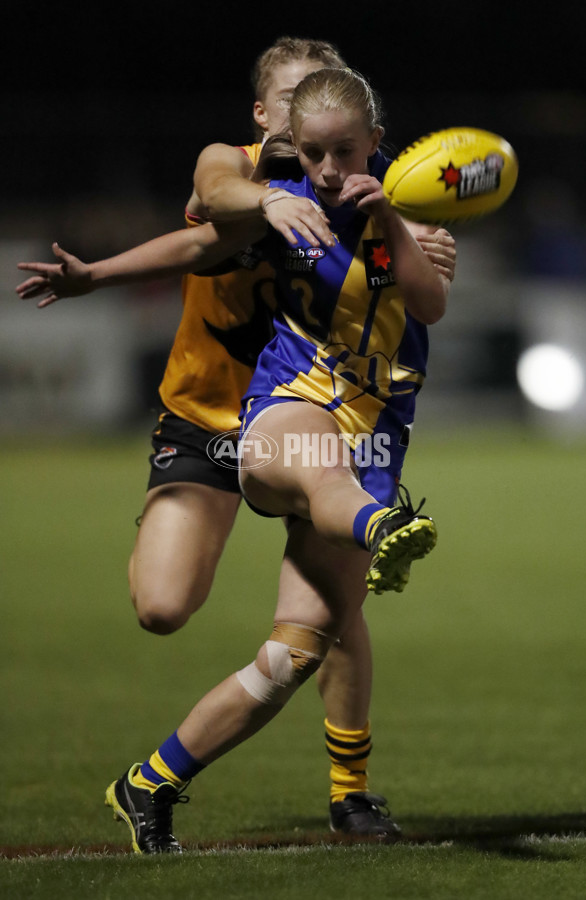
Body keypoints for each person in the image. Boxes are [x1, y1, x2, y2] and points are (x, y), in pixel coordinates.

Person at [16, 38, 454, 844]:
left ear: (364, 129)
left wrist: (409, 224)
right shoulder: (245, 171)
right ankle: (375, 524)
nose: (304, 127)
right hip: (225, 415)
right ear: (266, 113)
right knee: (163, 604)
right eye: (291, 109)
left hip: (356, 423)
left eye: (325, 119)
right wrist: (263, 205)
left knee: (315, 636)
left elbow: (428, 297)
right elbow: (205, 217)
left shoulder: (383, 195)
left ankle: (320, 793)